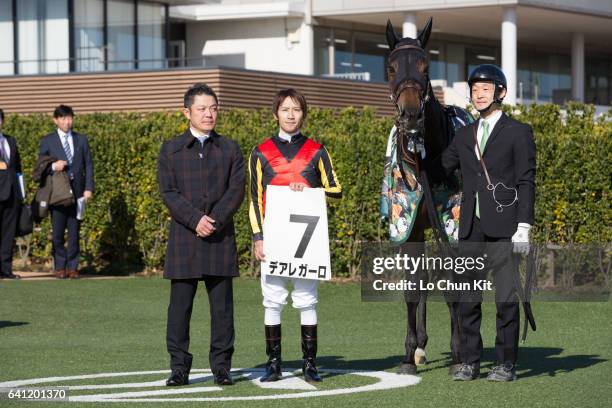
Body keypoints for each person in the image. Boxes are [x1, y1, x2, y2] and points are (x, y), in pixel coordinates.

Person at [441, 64, 536, 382]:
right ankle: (469, 361)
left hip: (506, 226)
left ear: (501, 93)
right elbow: (443, 167)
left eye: (485, 88)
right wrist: (415, 149)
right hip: (471, 226)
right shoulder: (464, 134)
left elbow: (526, 181)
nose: (478, 93)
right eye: (474, 89)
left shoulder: (518, 132)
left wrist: (524, 226)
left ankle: (505, 363)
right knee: (468, 297)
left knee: (505, 299)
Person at [248, 88, 342, 383]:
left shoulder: (317, 150)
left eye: (296, 109)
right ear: (275, 113)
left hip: (307, 241)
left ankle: (309, 364)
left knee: (306, 300)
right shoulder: (260, 151)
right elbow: (253, 198)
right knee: (272, 301)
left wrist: (313, 191)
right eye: (285, 109)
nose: (291, 114)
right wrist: (257, 237)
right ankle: (273, 364)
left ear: (304, 113)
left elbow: (336, 190)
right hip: (273, 239)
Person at [158, 83, 246, 387]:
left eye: (213, 108)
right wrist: (196, 220)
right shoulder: (171, 149)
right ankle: (178, 368)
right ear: (187, 112)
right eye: (202, 108)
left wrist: (215, 220)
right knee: (179, 308)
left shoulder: (230, 148)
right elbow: (168, 192)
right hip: (185, 237)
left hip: (220, 237)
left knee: (222, 309)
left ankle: (222, 367)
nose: (209, 114)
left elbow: (236, 191)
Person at [39, 105, 94, 279]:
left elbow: (89, 165)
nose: (67, 122)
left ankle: (72, 267)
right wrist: (54, 166)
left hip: (78, 193)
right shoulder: (48, 141)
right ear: (55, 120)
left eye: (69, 118)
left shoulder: (81, 139)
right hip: (58, 193)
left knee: (74, 232)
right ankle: (60, 266)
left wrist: (88, 188)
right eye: (63, 118)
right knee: (57, 232)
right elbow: (40, 167)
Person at [0, 108, 23, 280]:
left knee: (8, 233)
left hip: (12, 194)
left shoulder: (11, 140)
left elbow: (18, 169)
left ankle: (6, 269)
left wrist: (21, 193)